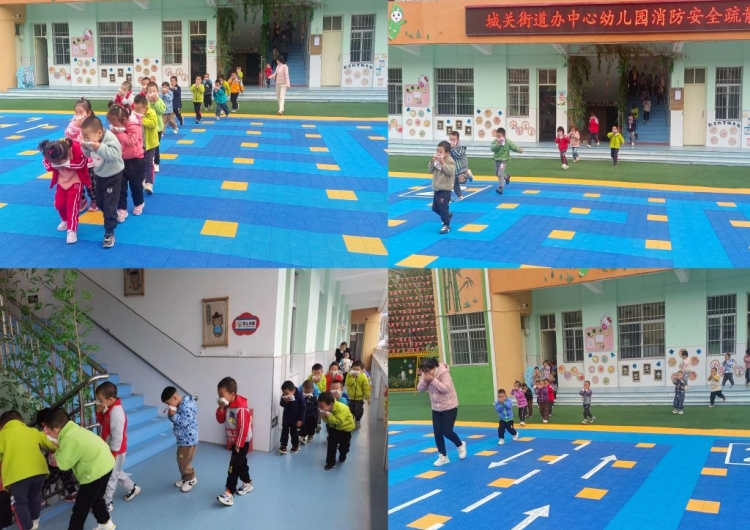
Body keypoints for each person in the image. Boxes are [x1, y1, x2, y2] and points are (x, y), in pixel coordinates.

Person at [40, 408, 116, 530]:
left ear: (56, 429)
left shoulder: (68, 439)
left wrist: (57, 451)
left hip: (94, 472)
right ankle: (105, 523)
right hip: (106, 464)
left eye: (48, 430)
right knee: (96, 498)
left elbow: (63, 465)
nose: (47, 433)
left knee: (81, 507)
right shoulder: (74, 429)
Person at [0, 411, 58, 530]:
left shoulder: (2, 435)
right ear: (21, 421)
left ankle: (27, 527)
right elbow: (50, 444)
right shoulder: (32, 431)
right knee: (35, 497)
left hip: (17, 476)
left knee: (20, 503)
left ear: (2, 426)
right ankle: (35, 520)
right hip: (39, 472)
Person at [80, 115, 124, 248]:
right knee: (100, 202)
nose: (85, 139)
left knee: (109, 204)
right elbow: (89, 154)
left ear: (99, 133)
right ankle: (113, 215)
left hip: (113, 175)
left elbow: (114, 155)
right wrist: (86, 147)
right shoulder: (93, 140)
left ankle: (109, 232)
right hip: (99, 174)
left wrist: (99, 147)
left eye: (87, 137)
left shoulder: (110, 138)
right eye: (84, 136)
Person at [95, 382, 140, 512]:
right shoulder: (109, 408)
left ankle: (107, 502)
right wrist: (99, 413)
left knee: (111, 476)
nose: (99, 402)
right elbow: (104, 424)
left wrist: (113, 452)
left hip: (116, 450)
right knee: (116, 471)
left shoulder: (116, 413)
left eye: (101, 400)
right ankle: (132, 487)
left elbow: (117, 435)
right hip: (110, 448)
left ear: (110, 399)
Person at [39, 138, 90, 245]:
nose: (58, 163)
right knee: (59, 204)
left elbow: (82, 163)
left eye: (59, 160)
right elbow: (46, 164)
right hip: (61, 181)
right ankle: (65, 220)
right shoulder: (50, 150)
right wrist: (55, 164)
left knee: (72, 206)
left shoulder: (75, 148)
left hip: (76, 180)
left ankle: (72, 229)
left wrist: (67, 163)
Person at [417, 357, 466, 466]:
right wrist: (425, 381)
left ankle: (460, 445)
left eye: (428, 371)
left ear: (434, 367)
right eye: (424, 371)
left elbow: (446, 389)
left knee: (447, 431)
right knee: (437, 432)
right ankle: (443, 456)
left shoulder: (444, 373)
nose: (426, 373)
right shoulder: (425, 375)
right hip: (436, 407)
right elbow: (420, 389)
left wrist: (433, 380)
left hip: (450, 406)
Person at [215, 377, 253, 506]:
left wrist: (238, 444)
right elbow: (220, 420)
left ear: (232, 394)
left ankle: (229, 492)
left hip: (242, 442)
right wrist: (221, 409)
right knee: (241, 463)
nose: (220, 397)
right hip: (233, 440)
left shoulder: (241, 408)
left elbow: (243, 428)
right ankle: (247, 483)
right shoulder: (227, 406)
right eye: (218, 395)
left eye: (222, 395)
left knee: (233, 467)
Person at [107, 104, 145, 223]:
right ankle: (122, 208)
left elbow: (131, 141)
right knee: (120, 186)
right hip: (121, 160)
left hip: (136, 160)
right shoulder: (117, 128)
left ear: (124, 120)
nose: (113, 126)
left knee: (136, 185)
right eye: (111, 123)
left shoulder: (134, 126)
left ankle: (139, 203)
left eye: (115, 123)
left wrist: (118, 133)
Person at [161, 386, 199, 492]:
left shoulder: (186, 406)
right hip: (183, 439)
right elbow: (175, 420)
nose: (168, 405)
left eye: (168, 403)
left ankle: (191, 479)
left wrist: (174, 416)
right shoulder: (179, 404)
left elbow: (184, 422)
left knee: (183, 461)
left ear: (174, 398)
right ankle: (185, 478)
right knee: (181, 459)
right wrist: (171, 415)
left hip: (188, 440)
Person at [65, 98, 97, 213]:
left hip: (89, 160)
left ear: (88, 113)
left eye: (81, 112)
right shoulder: (72, 124)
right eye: (76, 112)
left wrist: (82, 127)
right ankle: (81, 199)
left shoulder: (91, 124)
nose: (78, 115)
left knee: (91, 182)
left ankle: (94, 199)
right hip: (76, 158)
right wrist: (75, 126)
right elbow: (68, 135)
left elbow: (93, 138)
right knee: (77, 180)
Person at [318, 391, 355, 470]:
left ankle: (343, 453)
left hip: (345, 429)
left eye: (322, 406)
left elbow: (339, 422)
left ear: (331, 405)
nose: (320, 408)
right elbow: (327, 421)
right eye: (319, 406)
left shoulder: (342, 408)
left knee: (344, 447)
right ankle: (330, 462)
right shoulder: (327, 409)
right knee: (331, 445)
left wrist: (329, 416)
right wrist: (324, 416)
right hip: (333, 428)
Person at [429, 140, 456, 235]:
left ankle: (446, 225)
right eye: (437, 151)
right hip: (437, 188)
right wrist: (433, 161)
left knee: (443, 208)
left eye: (440, 152)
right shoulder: (436, 160)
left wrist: (443, 163)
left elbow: (450, 172)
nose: (438, 153)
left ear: (447, 153)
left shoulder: (450, 161)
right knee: (435, 208)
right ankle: (447, 215)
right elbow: (430, 170)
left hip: (445, 189)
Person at [133, 95, 158, 195]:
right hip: (139, 144)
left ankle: (149, 183)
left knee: (149, 163)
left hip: (150, 144)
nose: (137, 111)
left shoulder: (151, 112)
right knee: (140, 163)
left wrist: (142, 120)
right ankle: (143, 178)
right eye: (135, 109)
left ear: (145, 107)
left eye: (139, 109)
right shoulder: (133, 114)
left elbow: (153, 124)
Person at [490, 127, 523, 195]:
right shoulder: (495, 141)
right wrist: (498, 144)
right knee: (497, 173)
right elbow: (492, 149)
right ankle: (507, 177)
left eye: (499, 136)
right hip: (497, 160)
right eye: (497, 136)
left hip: (503, 161)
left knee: (500, 174)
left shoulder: (507, 142)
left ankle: (501, 188)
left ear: (503, 135)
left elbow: (513, 146)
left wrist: (519, 150)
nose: (498, 137)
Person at [279, 380, 305, 454]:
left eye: (287, 393)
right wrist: (285, 401)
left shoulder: (299, 395)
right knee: (284, 431)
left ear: (293, 390)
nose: (285, 394)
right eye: (283, 393)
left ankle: (295, 445)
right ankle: (283, 445)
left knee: (294, 433)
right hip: (286, 417)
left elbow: (303, 408)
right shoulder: (284, 396)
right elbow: (281, 403)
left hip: (296, 418)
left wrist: (300, 419)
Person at [146, 82, 166, 174]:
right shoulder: (146, 102)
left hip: (157, 129)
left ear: (158, 92)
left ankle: (156, 163)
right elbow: (145, 111)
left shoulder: (160, 101)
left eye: (154, 91)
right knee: (148, 146)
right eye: (150, 92)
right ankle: (149, 161)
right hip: (148, 128)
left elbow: (161, 110)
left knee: (156, 146)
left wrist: (156, 102)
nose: (152, 93)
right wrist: (150, 102)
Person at [345, 360, 371, 429]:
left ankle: (357, 420)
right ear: (351, 369)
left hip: (359, 398)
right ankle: (350, 421)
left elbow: (366, 387)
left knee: (359, 410)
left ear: (361, 370)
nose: (356, 371)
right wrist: (353, 378)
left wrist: (367, 397)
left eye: (358, 370)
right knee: (350, 410)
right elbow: (347, 384)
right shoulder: (349, 375)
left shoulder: (363, 376)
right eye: (354, 369)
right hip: (350, 397)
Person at [449, 130, 473, 201]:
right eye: (451, 139)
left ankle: (468, 174)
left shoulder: (462, 146)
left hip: (462, 167)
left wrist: (452, 148)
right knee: (454, 183)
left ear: (458, 140)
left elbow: (459, 155)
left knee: (462, 181)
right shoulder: (449, 146)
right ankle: (460, 195)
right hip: (454, 168)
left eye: (454, 140)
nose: (452, 141)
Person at [300, 380, 319, 444]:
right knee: (303, 426)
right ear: (303, 389)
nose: (307, 393)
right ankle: (302, 436)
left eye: (308, 392)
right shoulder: (301, 397)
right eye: (305, 392)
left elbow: (317, 406)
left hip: (312, 416)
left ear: (312, 390)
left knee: (311, 427)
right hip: (304, 415)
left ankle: (310, 435)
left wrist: (312, 399)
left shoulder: (315, 398)